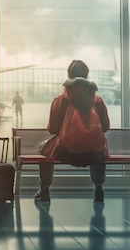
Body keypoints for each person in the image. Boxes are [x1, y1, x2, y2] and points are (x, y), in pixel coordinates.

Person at [34, 59, 110, 203]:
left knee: (44, 149)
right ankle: (98, 188)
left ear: (69, 76)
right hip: (93, 154)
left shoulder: (60, 100)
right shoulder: (98, 100)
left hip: (67, 151)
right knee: (98, 146)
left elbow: (52, 129)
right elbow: (105, 127)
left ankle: (44, 190)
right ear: (86, 76)